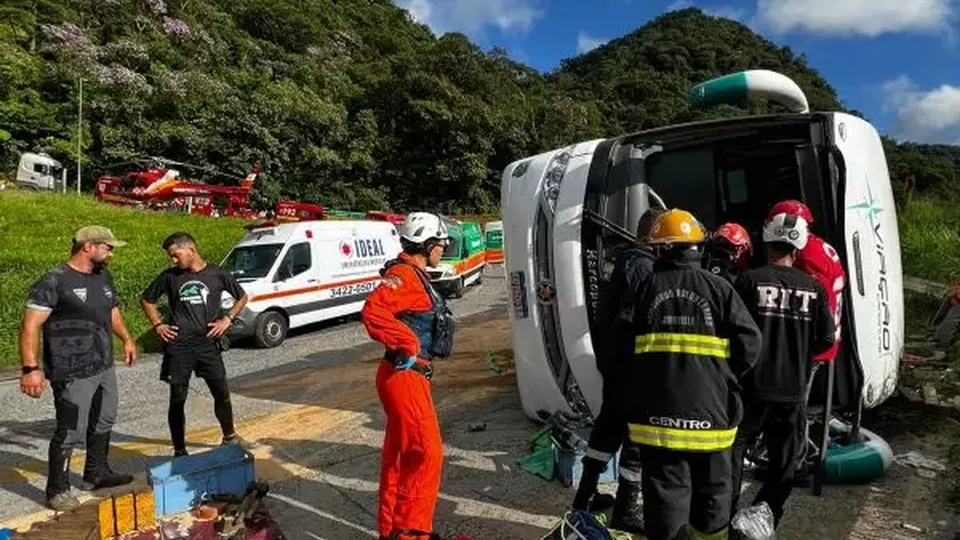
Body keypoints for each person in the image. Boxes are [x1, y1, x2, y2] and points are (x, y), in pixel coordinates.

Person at [610, 208, 762, 539]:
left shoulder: (644, 289)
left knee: (664, 499)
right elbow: (750, 343)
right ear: (697, 246)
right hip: (712, 421)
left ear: (660, 248)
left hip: (657, 421)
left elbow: (619, 349)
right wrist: (722, 377)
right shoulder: (720, 289)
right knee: (713, 500)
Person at [19, 226, 137, 511]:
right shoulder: (55, 280)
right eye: (107, 247)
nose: (112, 252)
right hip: (70, 370)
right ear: (88, 246)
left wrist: (127, 339)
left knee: (105, 419)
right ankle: (57, 490)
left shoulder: (102, 276)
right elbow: (30, 325)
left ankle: (97, 473)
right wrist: (30, 368)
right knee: (71, 429)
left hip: (104, 365)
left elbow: (112, 311)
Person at [730, 211, 836, 529]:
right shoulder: (814, 289)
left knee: (734, 452)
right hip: (791, 391)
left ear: (767, 241)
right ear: (798, 247)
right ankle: (765, 516)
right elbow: (825, 340)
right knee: (785, 461)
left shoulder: (748, 281)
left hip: (750, 388)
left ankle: (724, 515)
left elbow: (732, 332)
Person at [360, 212, 456, 540]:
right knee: (427, 454)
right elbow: (373, 311)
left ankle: (391, 528)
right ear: (427, 244)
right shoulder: (404, 274)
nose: (443, 249)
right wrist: (407, 342)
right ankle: (413, 532)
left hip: (405, 374)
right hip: (405, 376)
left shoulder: (413, 274)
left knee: (400, 456)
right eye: (441, 244)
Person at [572, 207, 662, 517]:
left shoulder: (621, 261)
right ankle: (626, 508)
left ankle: (583, 499)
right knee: (637, 438)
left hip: (615, 363)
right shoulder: (644, 268)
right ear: (653, 236)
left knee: (606, 429)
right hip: (633, 366)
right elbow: (641, 316)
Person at [140, 232, 249, 457]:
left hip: (208, 345)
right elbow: (147, 299)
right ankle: (180, 450)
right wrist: (158, 324)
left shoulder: (217, 274)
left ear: (190, 249)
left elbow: (242, 297)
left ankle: (229, 436)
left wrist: (227, 319)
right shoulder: (170, 276)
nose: (173, 260)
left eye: (175, 255)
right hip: (179, 347)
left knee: (221, 393)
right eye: (171, 256)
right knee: (178, 398)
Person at [766, 200, 847, 368]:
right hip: (821, 339)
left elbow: (818, 298)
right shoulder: (816, 246)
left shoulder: (808, 255)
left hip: (813, 345)